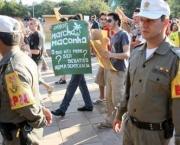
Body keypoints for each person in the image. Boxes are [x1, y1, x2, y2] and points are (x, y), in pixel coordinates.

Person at [113, 0, 180, 145]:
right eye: (142, 19)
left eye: (150, 20)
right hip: (130, 129)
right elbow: (128, 89)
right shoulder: (136, 53)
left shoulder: (175, 60)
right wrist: (119, 114)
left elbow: (178, 104)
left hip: (154, 136)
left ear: (165, 22)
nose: (144, 24)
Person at [0, 15, 52, 145]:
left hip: (20, 136)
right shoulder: (22, 58)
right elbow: (33, 91)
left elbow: (26, 106)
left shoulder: (13, 69)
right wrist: (42, 108)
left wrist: (39, 119)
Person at [51, 16, 93, 117]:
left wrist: (87, 28)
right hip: (73, 61)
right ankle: (89, 105)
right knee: (82, 83)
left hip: (80, 61)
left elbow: (90, 41)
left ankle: (63, 108)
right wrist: (54, 30)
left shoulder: (83, 31)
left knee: (72, 85)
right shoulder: (68, 35)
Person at [97, 12, 130, 128]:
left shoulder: (123, 34)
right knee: (109, 98)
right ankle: (110, 121)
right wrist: (108, 44)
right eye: (106, 20)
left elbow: (127, 54)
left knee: (117, 98)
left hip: (119, 70)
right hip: (111, 69)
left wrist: (110, 54)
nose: (107, 22)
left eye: (109, 20)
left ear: (117, 21)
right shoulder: (114, 34)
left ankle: (124, 120)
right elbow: (116, 51)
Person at [92, 11, 114, 104]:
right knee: (100, 79)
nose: (104, 21)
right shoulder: (101, 29)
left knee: (109, 81)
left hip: (110, 58)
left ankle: (111, 102)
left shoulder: (112, 30)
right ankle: (102, 97)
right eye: (102, 19)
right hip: (102, 58)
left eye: (106, 19)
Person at [29, 18, 54, 97]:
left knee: (35, 78)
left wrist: (25, 51)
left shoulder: (37, 35)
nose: (29, 25)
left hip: (37, 59)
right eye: (29, 24)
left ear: (36, 25)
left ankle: (38, 95)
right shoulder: (31, 34)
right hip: (32, 59)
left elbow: (37, 51)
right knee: (35, 77)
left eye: (31, 24)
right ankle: (48, 88)